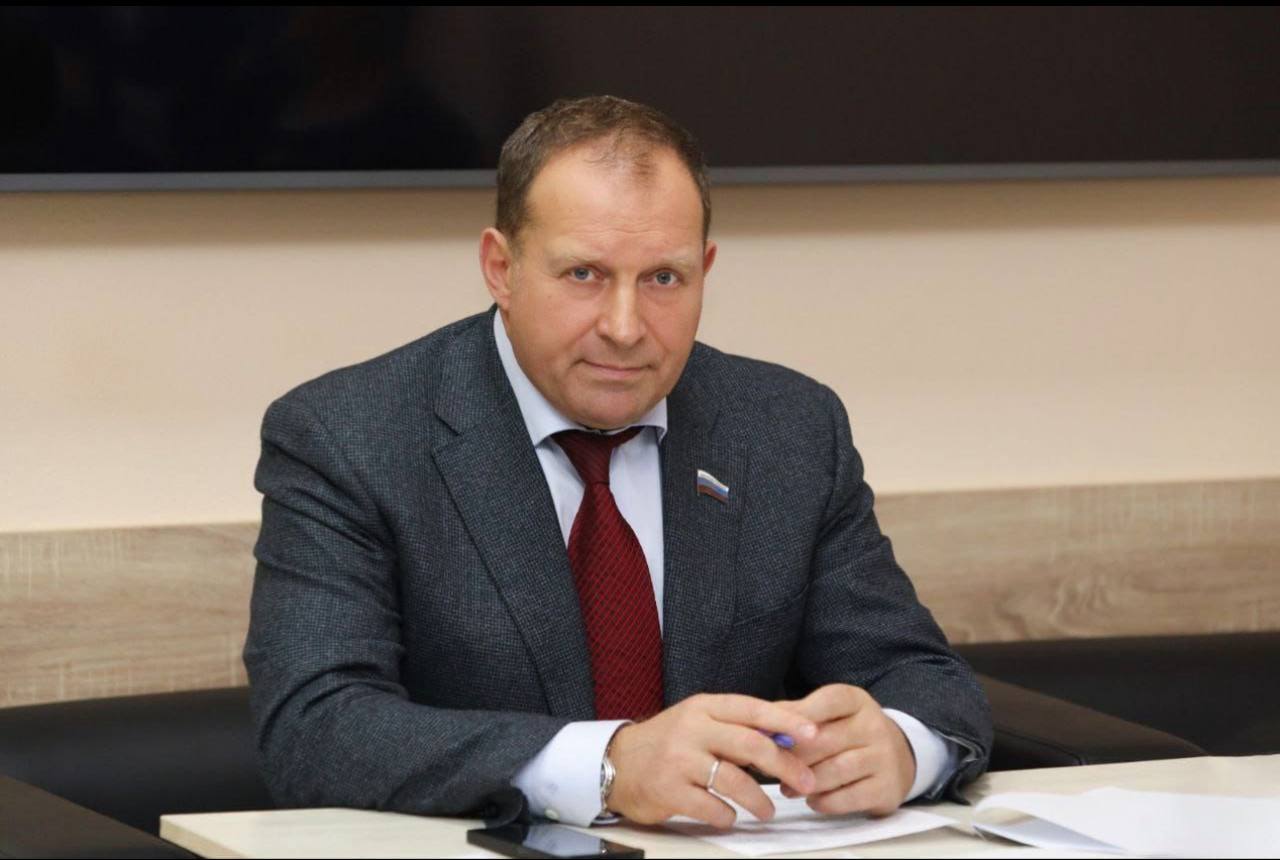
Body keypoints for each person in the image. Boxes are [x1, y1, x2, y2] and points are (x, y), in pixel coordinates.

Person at [244, 95, 992, 830]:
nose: (626, 328)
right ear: (500, 268)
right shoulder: (349, 437)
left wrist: (902, 746)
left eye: (664, 279)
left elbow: (920, 677)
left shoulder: (787, 429)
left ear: (704, 270)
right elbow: (315, 726)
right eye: (584, 275)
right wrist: (607, 765)